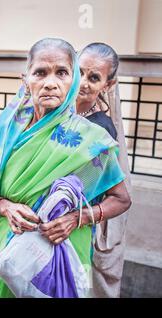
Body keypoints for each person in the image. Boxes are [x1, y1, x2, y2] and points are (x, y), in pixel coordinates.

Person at [0, 38, 131, 298]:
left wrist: (75, 218)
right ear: (26, 79)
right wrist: (6, 207)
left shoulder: (91, 139)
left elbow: (121, 199)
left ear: (72, 82)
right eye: (41, 73)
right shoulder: (6, 130)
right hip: (12, 250)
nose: (50, 82)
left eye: (62, 73)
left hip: (64, 251)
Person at [77, 42, 129, 297]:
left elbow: (87, 191)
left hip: (70, 229)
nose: (83, 82)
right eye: (79, 72)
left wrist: (79, 217)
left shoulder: (100, 129)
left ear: (107, 85)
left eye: (94, 77)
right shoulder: (54, 112)